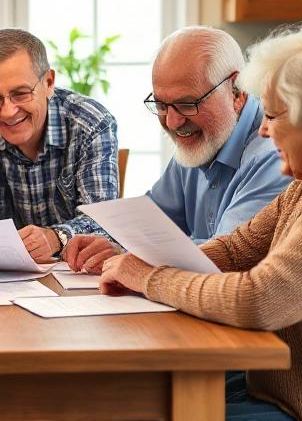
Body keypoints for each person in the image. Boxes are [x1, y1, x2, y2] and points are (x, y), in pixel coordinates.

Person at [99, 19, 302, 421]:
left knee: (139, 409)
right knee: (132, 395)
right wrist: (137, 261)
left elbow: (259, 301)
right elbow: (238, 248)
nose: (262, 128)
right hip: (279, 384)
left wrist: (147, 277)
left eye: (272, 116)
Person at [64, 26, 289, 273]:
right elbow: (148, 227)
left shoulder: (275, 156)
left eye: (186, 104)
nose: (172, 122)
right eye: (161, 105)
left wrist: (132, 256)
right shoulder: (200, 142)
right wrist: (110, 244)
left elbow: (228, 257)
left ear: (237, 92)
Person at [0, 28, 118, 262]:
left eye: (21, 94)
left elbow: (103, 218)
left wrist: (56, 237)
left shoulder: (91, 122)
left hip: (75, 274)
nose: (8, 111)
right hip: (2, 272)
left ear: (49, 82)